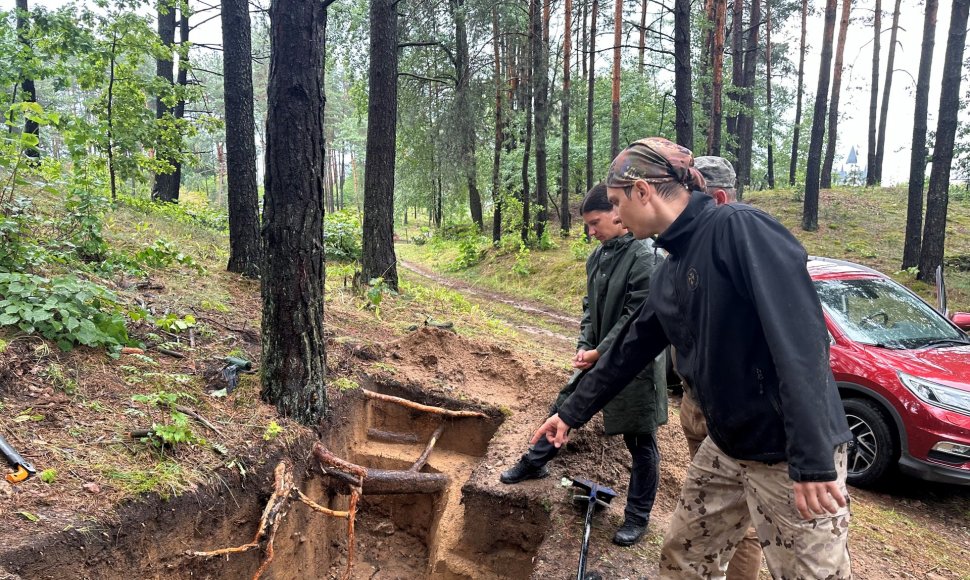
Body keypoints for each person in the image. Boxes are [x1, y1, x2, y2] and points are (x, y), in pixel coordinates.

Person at [531, 137, 853, 579]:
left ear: (643, 191)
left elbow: (801, 341)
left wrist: (813, 457)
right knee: (684, 560)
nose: (617, 215)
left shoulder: (739, 229)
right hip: (727, 445)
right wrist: (569, 413)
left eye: (619, 202)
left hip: (786, 451)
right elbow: (628, 349)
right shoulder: (670, 269)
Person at [499, 184, 668, 547]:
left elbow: (637, 316)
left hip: (635, 363)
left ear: (617, 215)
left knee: (641, 438)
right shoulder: (598, 257)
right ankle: (535, 461)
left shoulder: (646, 256)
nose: (591, 232)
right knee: (564, 407)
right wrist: (585, 345)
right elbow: (589, 308)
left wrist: (601, 350)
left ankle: (638, 517)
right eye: (588, 225)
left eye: (595, 223)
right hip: (596, 357)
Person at [678, 155, 762, 580]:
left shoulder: (749, 259)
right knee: (707, 512)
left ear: (720, 198)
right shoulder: (685, 255)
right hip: (695, 406)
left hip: (731, 418)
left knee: (743, 524)